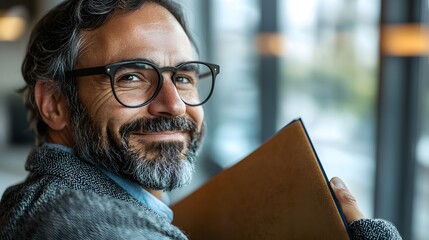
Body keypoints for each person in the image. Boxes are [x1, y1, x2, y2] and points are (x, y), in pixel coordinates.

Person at [0, 0, 401, 239]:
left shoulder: (48, 201)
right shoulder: (93, 228)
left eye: (184, 77)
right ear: (54, 104)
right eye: (133, 77)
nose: (174, 105)